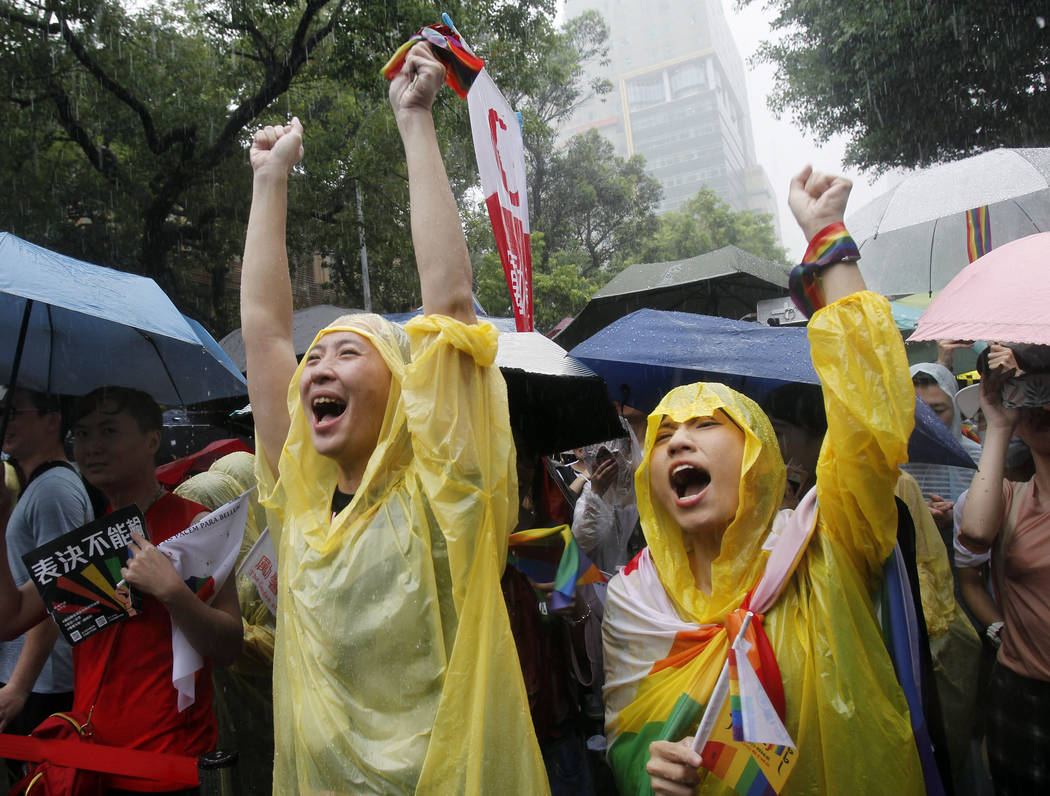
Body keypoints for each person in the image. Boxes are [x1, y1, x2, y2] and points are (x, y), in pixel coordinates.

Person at [240, 41, 546, 793]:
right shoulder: (302, 506)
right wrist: (269, 181)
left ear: (407, 391)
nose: (316, 367)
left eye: (348, 353)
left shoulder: (447, 499)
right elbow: (266, 330)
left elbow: (447, 310)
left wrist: (415, 121)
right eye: (315, 359)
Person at [602, 167, 927, 795]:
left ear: (760, 457)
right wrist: (651, 772)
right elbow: (626, 736)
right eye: (665, 435)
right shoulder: (633, 602)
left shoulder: (823, 544)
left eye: (706, 425)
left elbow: (869, 417)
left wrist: (829, 240)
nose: (679, 442)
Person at [0, 386, 243, 793]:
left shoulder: (197, 525)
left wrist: (174, 594)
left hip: (168, 766)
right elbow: (9, 619)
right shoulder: (89, 541)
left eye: (109, 431)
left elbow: (229, 646)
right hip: (88, 764)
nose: (91, 447)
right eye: (82, 435)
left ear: (152, 439)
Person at [958, 346, 1050, 795]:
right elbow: (974, 534)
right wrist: (997, 422)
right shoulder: (1011, 498)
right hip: (1021, 695)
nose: (1040, 405)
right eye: (1026, 389)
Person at [0, 389, 93, 780]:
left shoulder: (54, 490)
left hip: (44, 684)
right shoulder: (38, 486)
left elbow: (59, 591)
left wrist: (20, 686)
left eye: (15, 412)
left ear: (52, 419)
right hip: (31, 678)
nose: (6, 422)